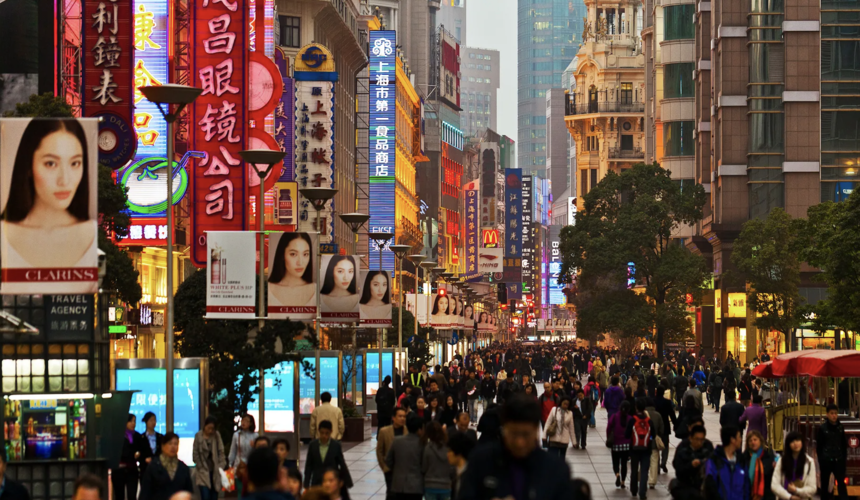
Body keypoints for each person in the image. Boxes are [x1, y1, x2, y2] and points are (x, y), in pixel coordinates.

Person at [1, 118, 98, 284]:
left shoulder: (92, 233)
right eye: (51, 163)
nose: (64, 180)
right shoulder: (4, 233)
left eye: (75, 163)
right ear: (29, 166)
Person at [458, 394, 571, 500]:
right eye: (513, 434)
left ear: (536, 430)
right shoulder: (480, 462)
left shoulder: (555, 470)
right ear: (503, 428)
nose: (519, 442)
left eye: (526, 434)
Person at [139, 432, 194, 500]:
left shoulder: (183, 467)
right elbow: (145, 492)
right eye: (170, 443)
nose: (173, 447)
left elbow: (189, 492)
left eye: (176, 444)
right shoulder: (154, 466)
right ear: (163, 446)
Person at [268, 233, 316, 307]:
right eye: (293, 254)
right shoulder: (268, 289)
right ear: (282, 255)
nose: (300, 262)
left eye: (305, 254)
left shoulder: (316, 290)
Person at [384, 414, 425, 500]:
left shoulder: (397, 441)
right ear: (419, 429)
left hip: (399, 485)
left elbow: (388, 461)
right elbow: (425, 465)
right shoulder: (422, 444)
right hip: (416, 486)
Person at [702, 427, 748, 500]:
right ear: (732, 440)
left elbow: (746, 487)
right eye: (739, 436)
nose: (741, 440)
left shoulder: (741, 460)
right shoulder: (714, 460)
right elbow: (710, 487)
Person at [304, 421, 352, 490]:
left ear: (331, 432)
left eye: (327, 433)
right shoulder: (313, 445)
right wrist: (306, 483)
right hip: (317, 482)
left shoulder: (335, 446)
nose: (324, 436)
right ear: (319, 431)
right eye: (322, 433)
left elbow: (342, 464)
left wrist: (348, 481)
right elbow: (308, 465)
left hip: (331, 482)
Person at [670, 425, 713, 500]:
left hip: (701, 491)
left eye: (702, 440)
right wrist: (691, 465)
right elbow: (679, 471)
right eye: (697, 439)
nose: (699, 442)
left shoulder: (707, 451)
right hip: (686, 490)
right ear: (690, 438)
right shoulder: (683, 451)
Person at [816, 404, 849, 500]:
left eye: (835, 413)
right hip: (826, 460)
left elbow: (843, 445)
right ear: (827, 414)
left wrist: (843, 459)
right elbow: (819, 446)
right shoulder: (822, 428)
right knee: (824, 484)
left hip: (838, 459)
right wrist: (821, 460)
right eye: (832, 413)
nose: (834, 415)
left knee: (841, 484)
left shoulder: (840, 428)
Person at [625, 398, 655, 500]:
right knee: (644, 471)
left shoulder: (632, 420)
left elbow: (627, 434)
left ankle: (634, 490)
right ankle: (642, 492)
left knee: (634, 469)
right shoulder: (649, 421)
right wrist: (649, 439)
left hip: (634, 449)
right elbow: (654, 435)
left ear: (636, 407)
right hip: (646, 449)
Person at [771, 432, 816, 500]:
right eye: (792, 441)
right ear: (788, 444)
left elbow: (812, 488)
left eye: (798, 440)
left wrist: (796, 490)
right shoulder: (782, 461)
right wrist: (790, 497)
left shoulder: (809, 462)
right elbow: (774, 485)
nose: (795, 443)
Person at [192, 416, 226, 500]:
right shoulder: (198, 436)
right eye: (208, 428)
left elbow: (221, 451)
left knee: (214, 495)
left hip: (215, 470)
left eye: (212, 428)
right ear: (205, 426)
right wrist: (200, 466)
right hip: (203, 471)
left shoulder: (216, 435)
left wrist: (221, 466)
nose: (210, 430)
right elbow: (195, 453)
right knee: (205, 496)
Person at [376, 407, 408, 498]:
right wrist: (384, 467)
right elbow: (380, 451)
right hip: (390, 470)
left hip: (405, 470)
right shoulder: (384, 431)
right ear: (393, 418)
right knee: (391, 494)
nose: (402, 419)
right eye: (400, 416)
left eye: (404, 416)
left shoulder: (408, 431)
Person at [114, 414, 146, 500]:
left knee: (132, 495)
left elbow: (142, 451)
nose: (133, 423)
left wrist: (138, 454)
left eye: (134, 421)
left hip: (132, 470)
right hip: (119, 470)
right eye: (131, 421)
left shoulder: (138, 436)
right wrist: (133, 454)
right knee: (119, 495)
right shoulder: (118, 436)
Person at [422, 421, 452, 500]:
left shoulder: (428, 448)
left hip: (430, 485)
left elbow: (424, 467)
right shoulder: (448, 449)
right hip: (446, 485)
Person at [741, 430, 775, 500]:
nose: (753, 442)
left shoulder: (769, 457)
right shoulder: (744, 458)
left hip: (766, 495)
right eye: (750, 441)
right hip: (749, 495)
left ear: (760, 441)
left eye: (755, 440)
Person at [607, 401, 633, 490]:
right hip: (626, 445)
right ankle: (622, 481)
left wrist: (609, 438)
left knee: (615, 462)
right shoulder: (630, 418)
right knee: (624, 464)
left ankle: (617, 474)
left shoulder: (614, 417)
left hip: (615, 444)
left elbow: (608, 428)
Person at [654, 384, 677, 473]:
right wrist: (675, 424)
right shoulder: (667, 402)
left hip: (655, 426)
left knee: (656, 445)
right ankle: (663, 462)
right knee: (665, 445)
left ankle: (657, 464)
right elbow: (672, 414)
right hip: (665, 426)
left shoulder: (653, 401)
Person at [447, 431, 476, 499]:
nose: (447, 454)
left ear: (458, 452)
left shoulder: (469, 477)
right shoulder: (457, 474)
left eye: (449, 451)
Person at [139, 412, 164, 476]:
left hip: (158, 467)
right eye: (151, 420)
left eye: (154, 420)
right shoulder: (141, 438)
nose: (153, 422)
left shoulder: (160, 437)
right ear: (146, 422)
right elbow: (139, 453)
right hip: (145, 469)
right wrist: (144, 460)